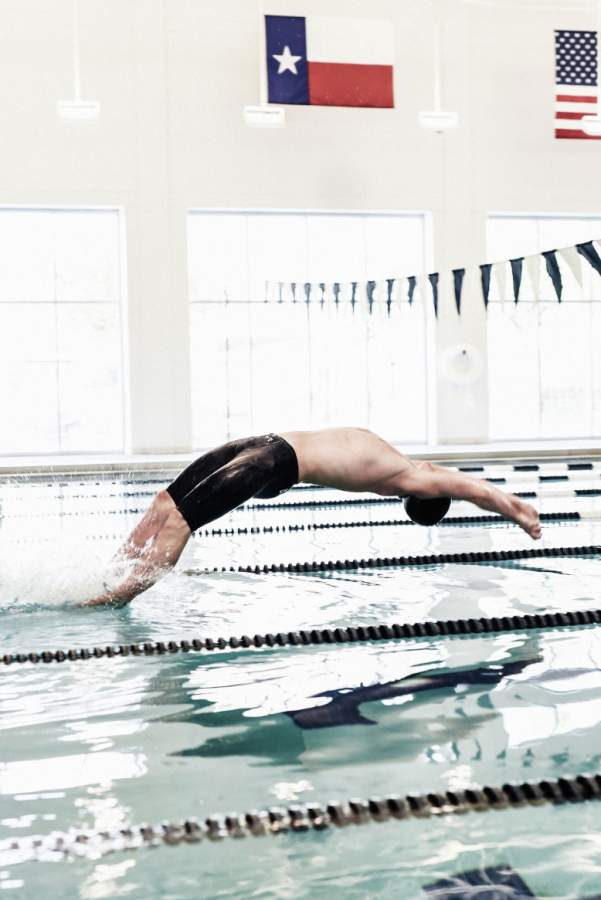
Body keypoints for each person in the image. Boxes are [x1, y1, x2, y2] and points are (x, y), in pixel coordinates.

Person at [85, 427, 541, 607]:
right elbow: (465, 487)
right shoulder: (408, 478)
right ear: (419, 501)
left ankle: (110, 572)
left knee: (164, 504)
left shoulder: (403, 459)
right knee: (181, 522)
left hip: (257, 441)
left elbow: (447, 473)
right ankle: (116, 597)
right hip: (271, 465)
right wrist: (519, 511)